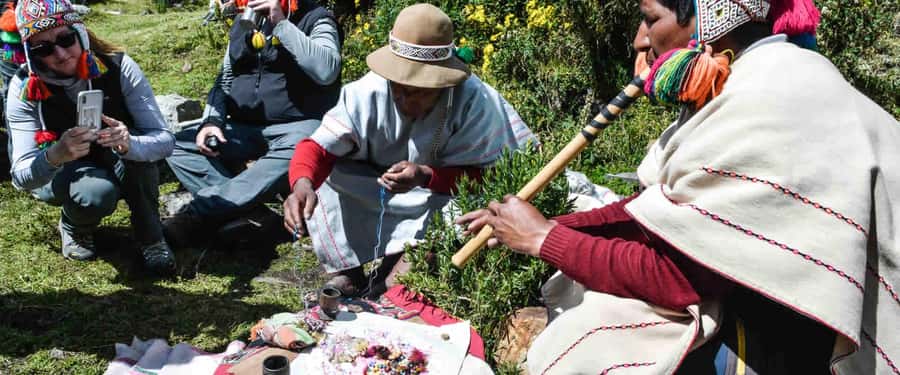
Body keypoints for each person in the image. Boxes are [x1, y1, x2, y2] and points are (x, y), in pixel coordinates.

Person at [457, 0, 900, 373]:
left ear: (710, 19)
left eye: (650, 19)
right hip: (770, 309)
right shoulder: (757, 76)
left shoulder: (769, 98)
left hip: (801, 340)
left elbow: (677, 280)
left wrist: (543, 239)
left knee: (594, 343)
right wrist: (552, 224)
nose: (639, 40)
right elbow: (663, 210)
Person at [283, 3, 537, 297]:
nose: (403, 99)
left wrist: (427, 175)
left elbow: (493, 176)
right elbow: (317, 149)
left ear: (443, 83)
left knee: (472, 210)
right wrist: (301, 185)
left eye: (416, 91)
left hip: (444, 197)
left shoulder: (474, 102)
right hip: (379, 189)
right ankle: (348, 272)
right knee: (328, 178)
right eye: (397, 88)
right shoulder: (368, 91)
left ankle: (397, 274)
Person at [6, 0, 176, 273]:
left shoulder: (120, 67)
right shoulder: (23, 88)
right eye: (44, 48)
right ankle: (74, 226)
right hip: (62, 169)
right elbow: (21, 176)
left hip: (117, 157)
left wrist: (130, 143)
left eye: (66, 39)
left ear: (80, 33)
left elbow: (165, 140)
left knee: (139, 159)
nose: (61, 54)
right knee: (97, 193)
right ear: (31, 54)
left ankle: (152, 238)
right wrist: (55, 155)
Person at [164, 0, 342, 247]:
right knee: (174, 145)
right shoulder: (244, 21)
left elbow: (326, 70)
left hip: (298, 125)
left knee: (304, 146)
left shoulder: (316, 18)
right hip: (244, 127)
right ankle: (251, 213)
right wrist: (212, 121)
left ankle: (197, 213)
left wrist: (281, 23)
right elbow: (225, 76)